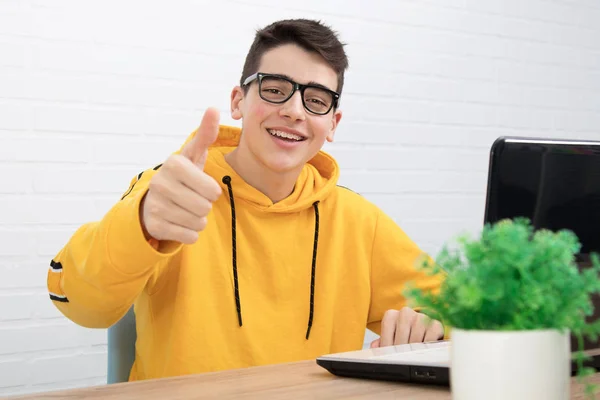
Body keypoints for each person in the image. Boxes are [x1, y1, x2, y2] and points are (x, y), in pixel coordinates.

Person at [47, 18, 445, 382]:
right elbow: (81, 303)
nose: (293, 111)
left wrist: (432, 326)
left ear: (332, 124)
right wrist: (141, 225)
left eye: (317, 101)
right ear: (238, 101)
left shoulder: (359, 221)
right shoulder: (171, 194)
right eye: (274, 90)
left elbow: (471, 312)